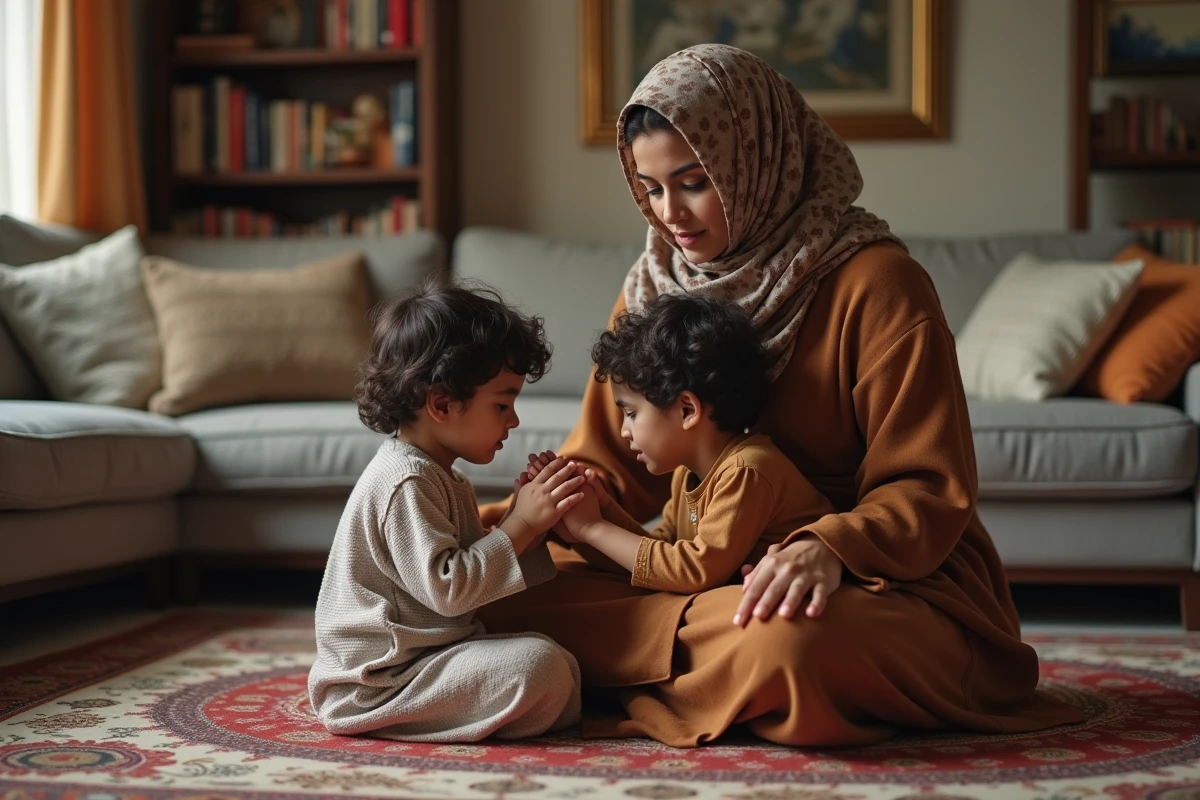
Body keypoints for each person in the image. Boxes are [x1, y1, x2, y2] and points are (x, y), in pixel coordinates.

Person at [477, 43, 1085, 749]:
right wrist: (509, 524)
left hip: (866, 581)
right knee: (497, 587)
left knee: (792, 644)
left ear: (756, 160)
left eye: (695, 181)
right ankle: (676, 664)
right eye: (650, 188)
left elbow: (927, 489)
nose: (670, 213)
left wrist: (825, 547)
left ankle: (623, 667)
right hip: (699, 576)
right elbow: (613, 466)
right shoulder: (654, 286)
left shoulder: (880, 285)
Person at [309, 283, 584, 743]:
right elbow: (453, 590)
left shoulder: (441, 475)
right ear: (441, 404)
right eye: (502, 404)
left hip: (430, 656)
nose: (513, 421)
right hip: (380, 683)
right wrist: (522, 525)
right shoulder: (407, 481)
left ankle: (538, 708)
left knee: (558, 660)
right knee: (540, 667)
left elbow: (474, 575)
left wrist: (529, 524)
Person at [535, 292, 835, 597]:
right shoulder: (688, 473)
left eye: (631, 413)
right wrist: (597, 514)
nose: (624, 431)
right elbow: (659, 554)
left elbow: (693, 571)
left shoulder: (749, 470)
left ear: (687, 410)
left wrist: (593, 529)